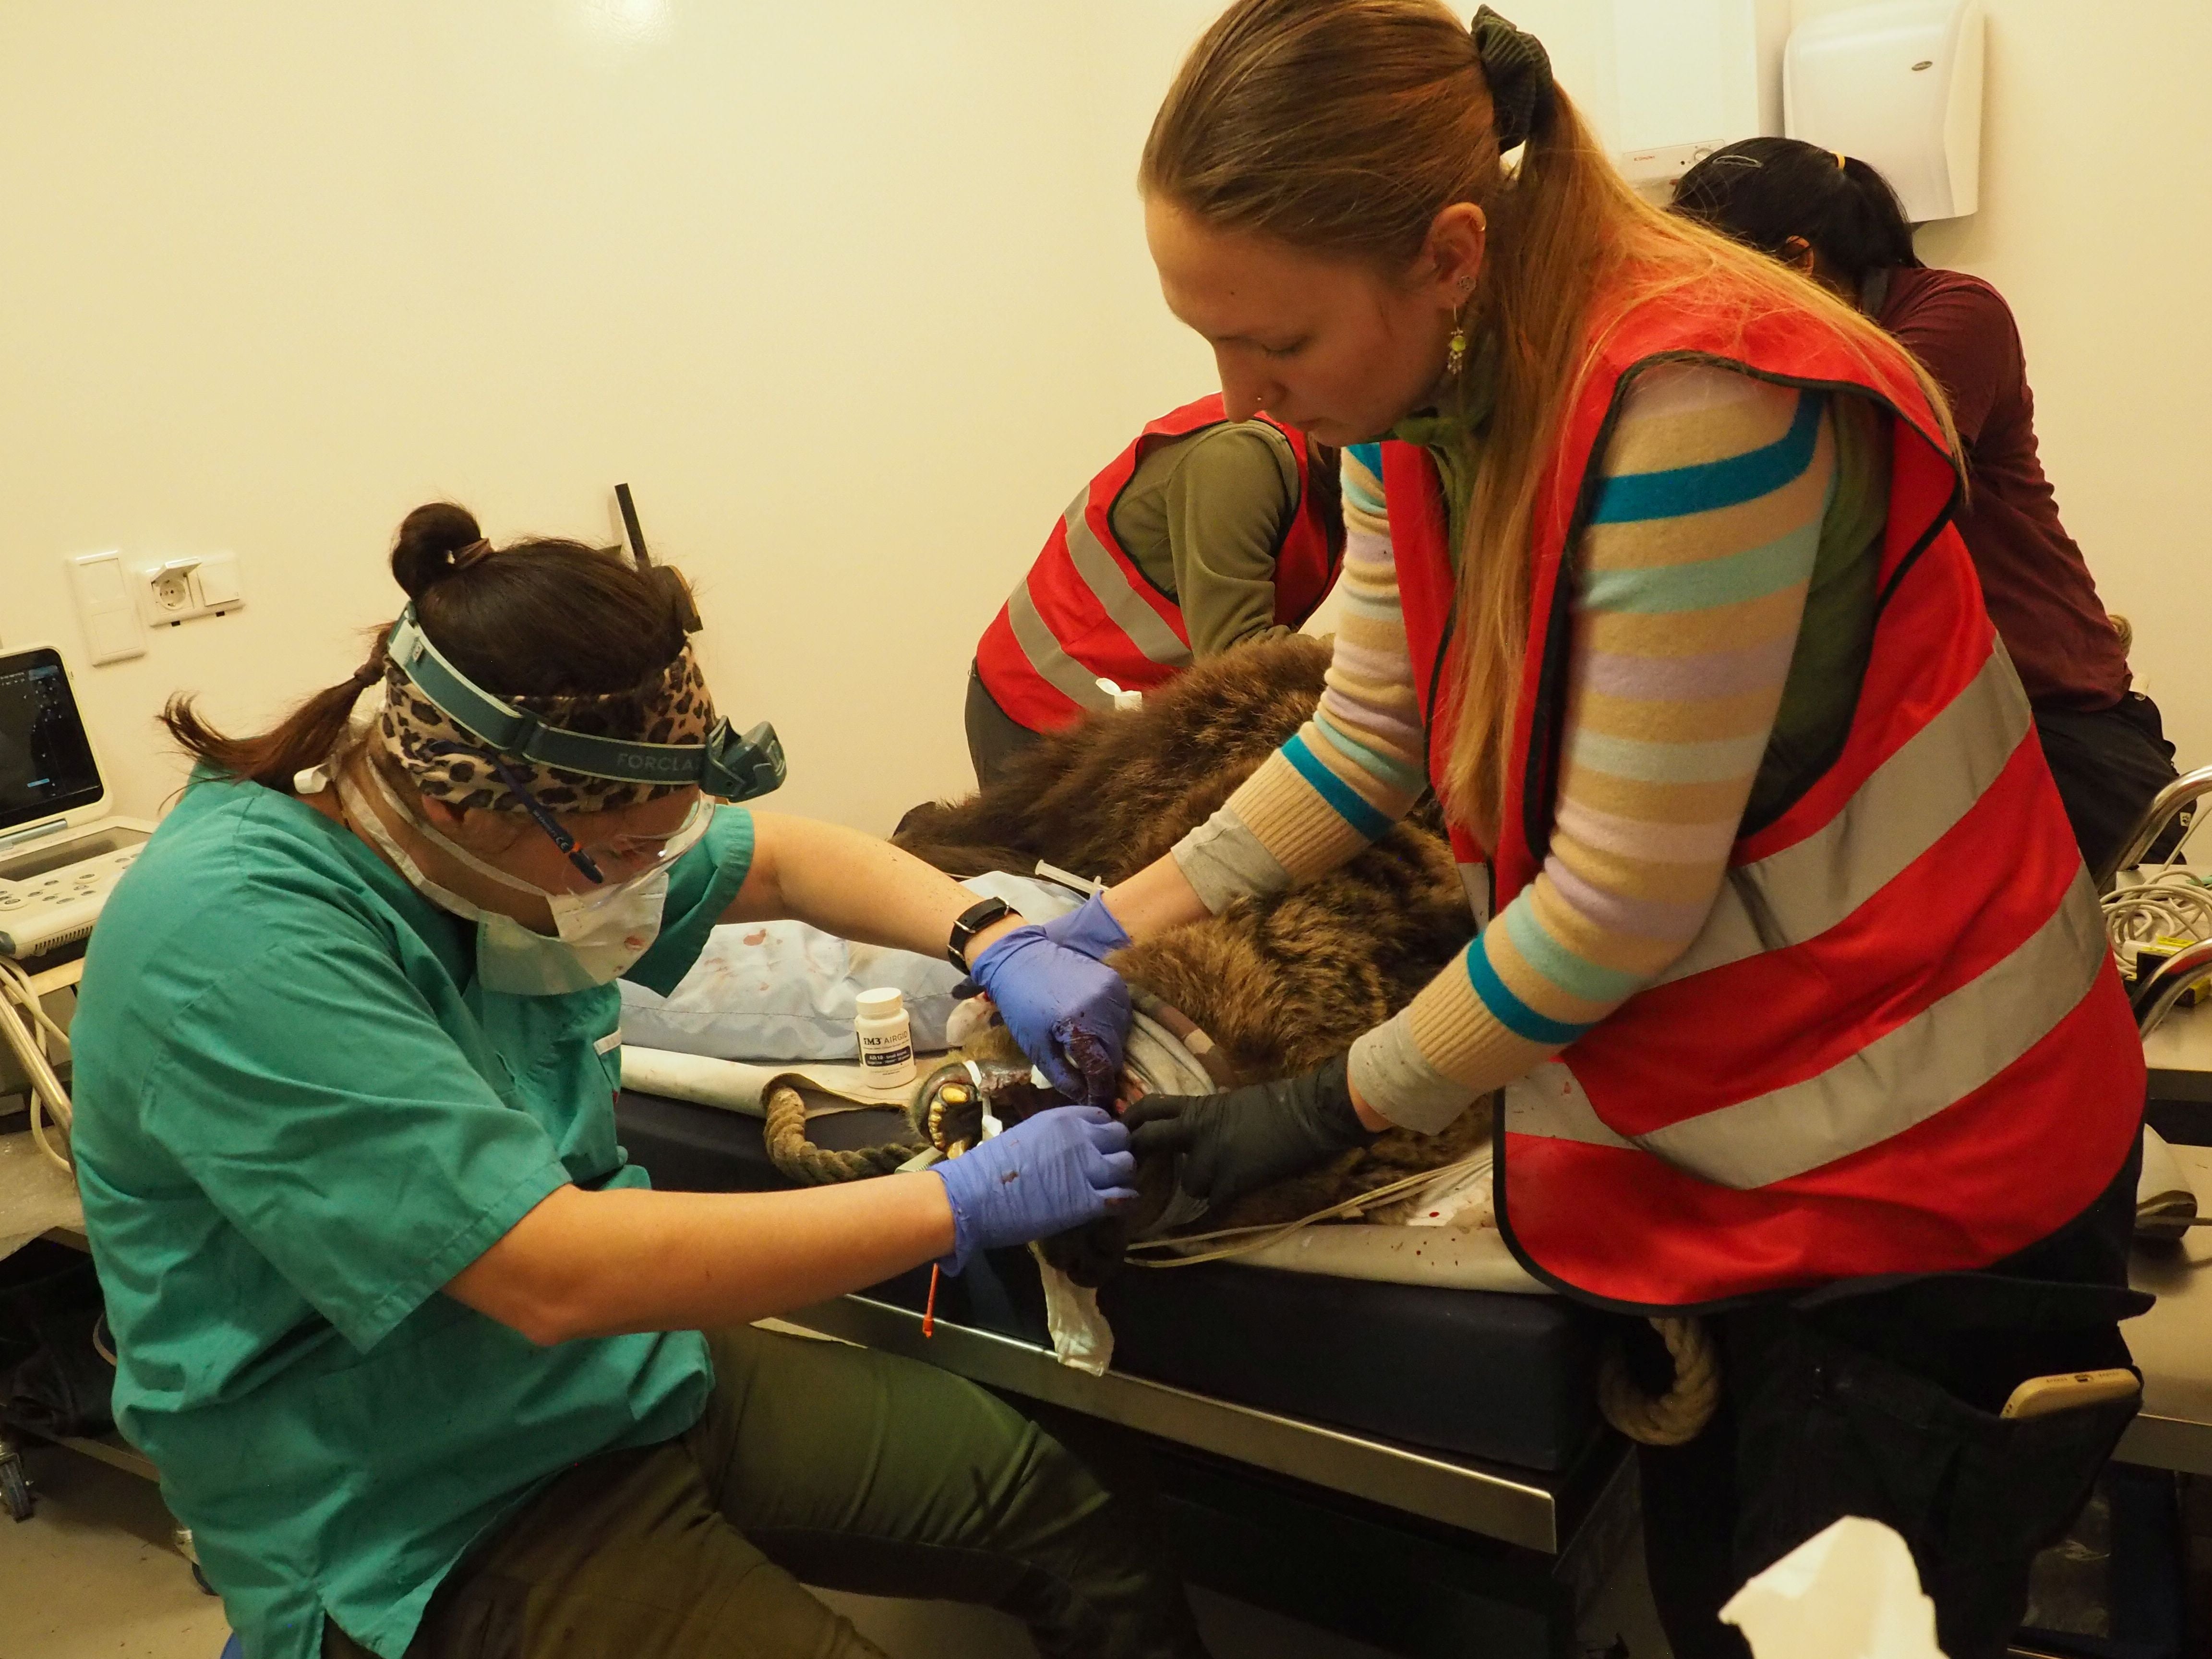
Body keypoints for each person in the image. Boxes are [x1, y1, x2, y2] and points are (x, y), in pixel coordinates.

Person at [1015, 5, 2150, 1656]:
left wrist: (1317, 1108)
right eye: (1208, 339)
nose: (1239, 396)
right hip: (1750, 1148)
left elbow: (1616, 901)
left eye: (1274, 341)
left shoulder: (1698, 398)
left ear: (1447, 255)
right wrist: (1100, 922)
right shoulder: (1416, 401)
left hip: (1930, 1161)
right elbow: (1365, 736)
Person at [67, 505, 1208, 1659]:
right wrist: (957, 1200)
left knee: (1085, 1522)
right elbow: (550, 1272)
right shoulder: (239, 943)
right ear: (462, 802)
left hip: (609, 1371)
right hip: (405, 1493)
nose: (643, 887)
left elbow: (782, 860)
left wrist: (992, 937)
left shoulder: (478, 830)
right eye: (618, 857)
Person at [1671, 136, 2179, 881]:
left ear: (1797, 260)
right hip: (1914, 736)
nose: (1695, 310)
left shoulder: (1956, 314)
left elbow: (1845, 470)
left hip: (2051, 725)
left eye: (1709, 281)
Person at [967, 396, 1343, 784]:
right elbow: (1237, 657)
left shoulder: (1339, 470)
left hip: (1130, 714)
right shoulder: (1242, 461)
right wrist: (1371, 663)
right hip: (1042, 709)